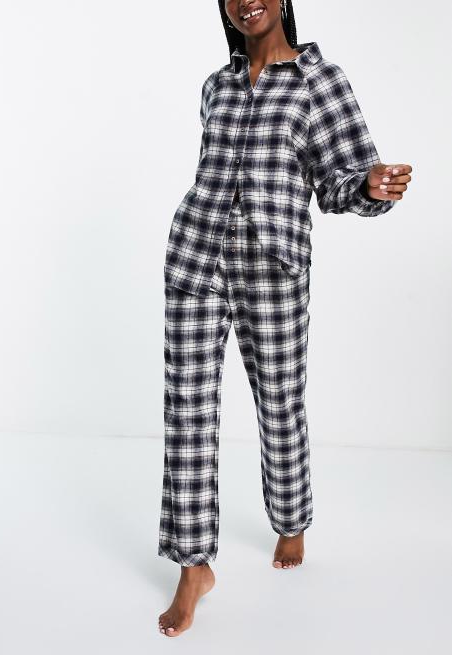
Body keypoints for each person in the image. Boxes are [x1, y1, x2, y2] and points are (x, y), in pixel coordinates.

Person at [158, 0, 412, 638]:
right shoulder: (215, 87)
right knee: (188, 409)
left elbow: (338, 182)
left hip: (273, 265)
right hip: (196, 256)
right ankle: (193, 566)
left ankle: (291, 518)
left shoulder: (321, 82)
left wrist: (370, 185)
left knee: (279, 402)